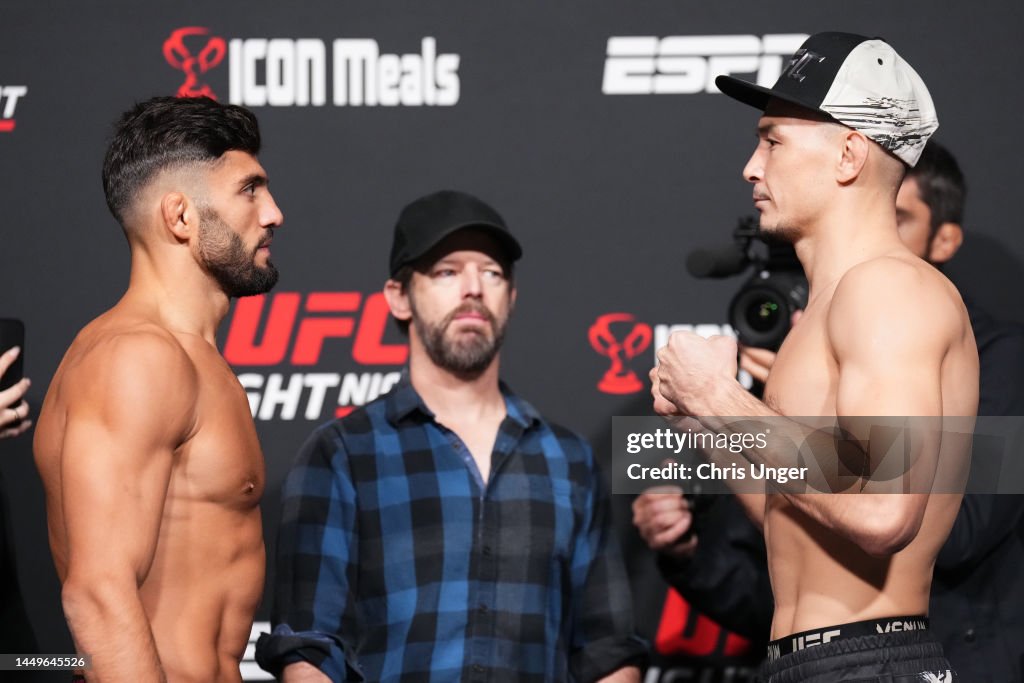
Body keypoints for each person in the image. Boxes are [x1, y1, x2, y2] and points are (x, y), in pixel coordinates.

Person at [650, 33, 978, 682]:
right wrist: (709, 425)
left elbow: (881, 507)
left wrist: (721, 398)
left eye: (772, 140)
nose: (751, 166)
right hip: (814, 660)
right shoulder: (827, 311)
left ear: (849, 154)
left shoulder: (888, 287)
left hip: (868, 660)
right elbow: (807, 517)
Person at [256, 190, 646, 682]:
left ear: (511, 298)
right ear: (399, 296)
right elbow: (309, 648)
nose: (473, 289)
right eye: (446, 271)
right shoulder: (343, 453)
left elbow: (607, 651)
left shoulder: (569, 461)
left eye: (492, 272)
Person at [33, 96, 284, 682]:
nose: (273, 212)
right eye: (250, 189)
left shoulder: (192, 361)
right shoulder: (139, 357)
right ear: (180, 217)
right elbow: (98, 592)